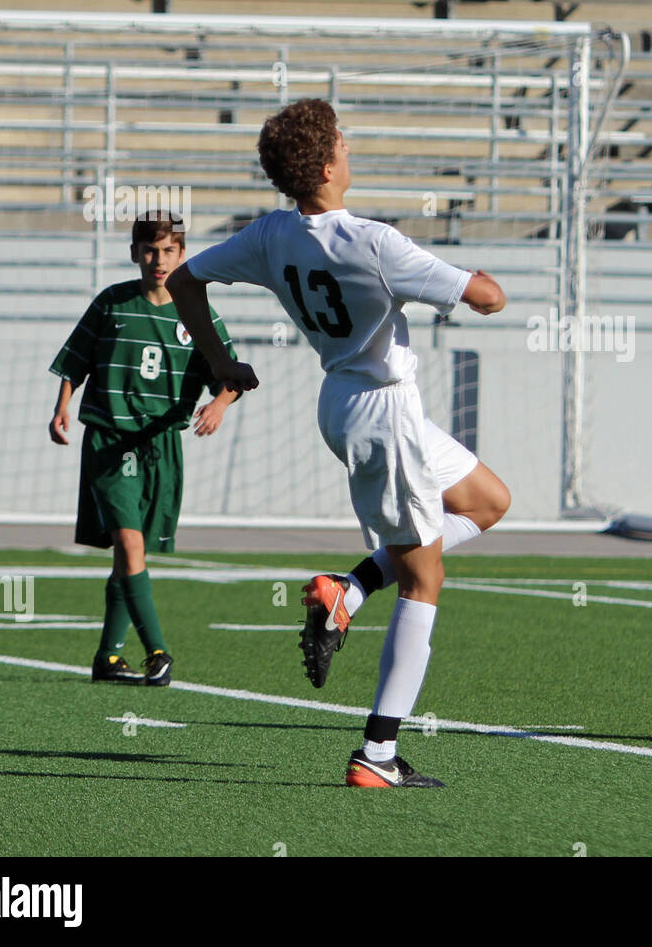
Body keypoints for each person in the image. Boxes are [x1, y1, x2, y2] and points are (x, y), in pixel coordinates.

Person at [167, 98, 509, 789]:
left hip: (350, 402)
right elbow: (490, 298)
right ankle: (377, 756)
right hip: (384, 413)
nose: (351, 153)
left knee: (488, 500)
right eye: (345, 146)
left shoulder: (269, 235)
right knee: (425, 578)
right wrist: (469, 277)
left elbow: (183, 281)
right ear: (327, 166)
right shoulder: (374, 242)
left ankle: (346, 592)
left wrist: (220, 362)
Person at [49, 210, 240, 685]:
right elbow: (76, 359)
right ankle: (159, 651)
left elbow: (232, 374)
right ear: (135, 253)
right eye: (150, 250)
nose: (158, 259)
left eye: (169, 251)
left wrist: (218, 404)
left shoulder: (196, 314)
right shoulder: (112, 303)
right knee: (129, 543)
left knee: (130, 555)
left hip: (161, 446)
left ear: (182, 255)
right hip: (110, 440)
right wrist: (62, 407)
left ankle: (108, 658)